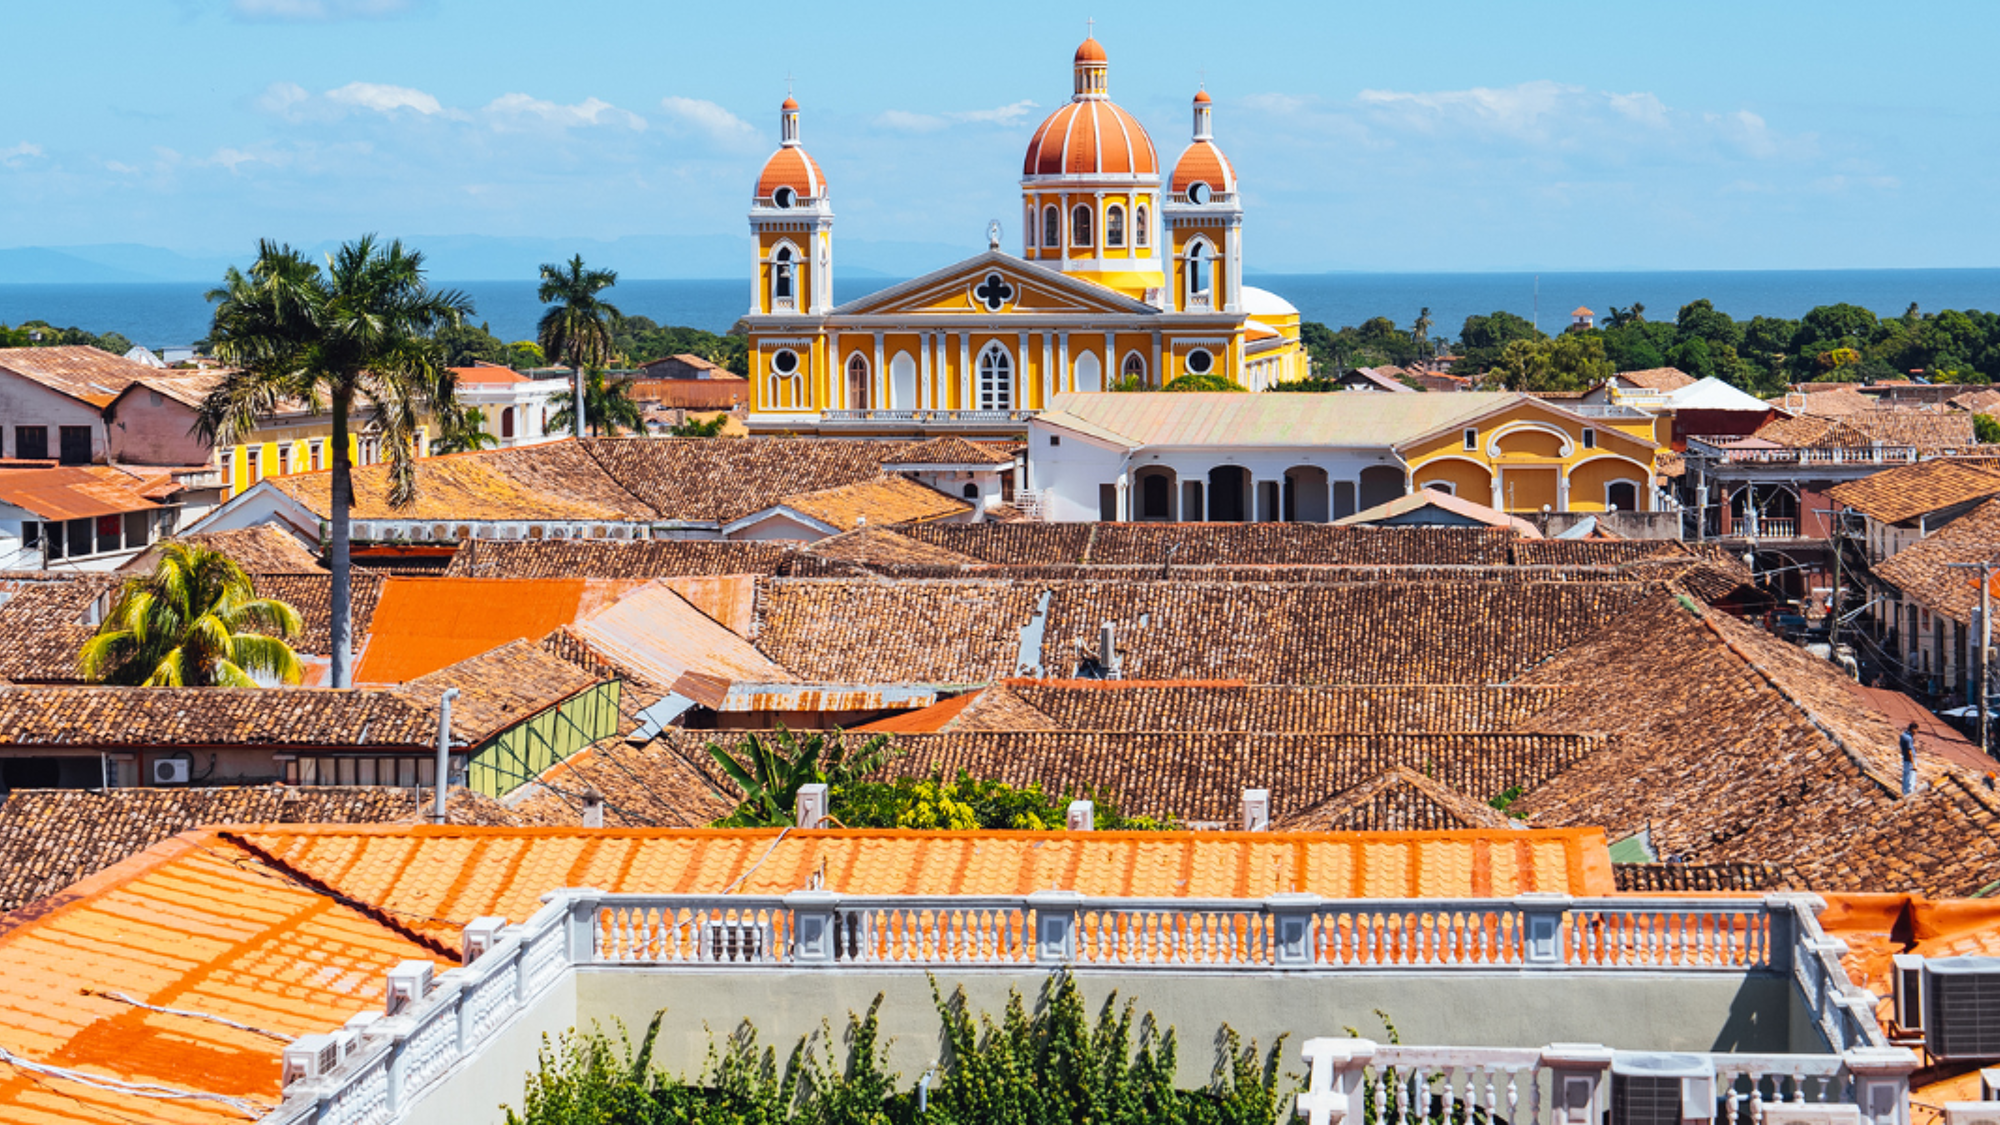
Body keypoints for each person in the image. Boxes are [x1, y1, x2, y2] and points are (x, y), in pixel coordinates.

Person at [1900, 722, 1919, 797]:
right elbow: (1909, 751)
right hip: (1909, 760)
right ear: (1913, 729)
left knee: (1905, 777)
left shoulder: (1903, 735)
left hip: (1905, 759)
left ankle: (1905, 792)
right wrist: (1913, 764)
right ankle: (1909, 793)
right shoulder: (1908, 738)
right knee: (1910, 778)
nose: (1916, 732)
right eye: (1916, 730)